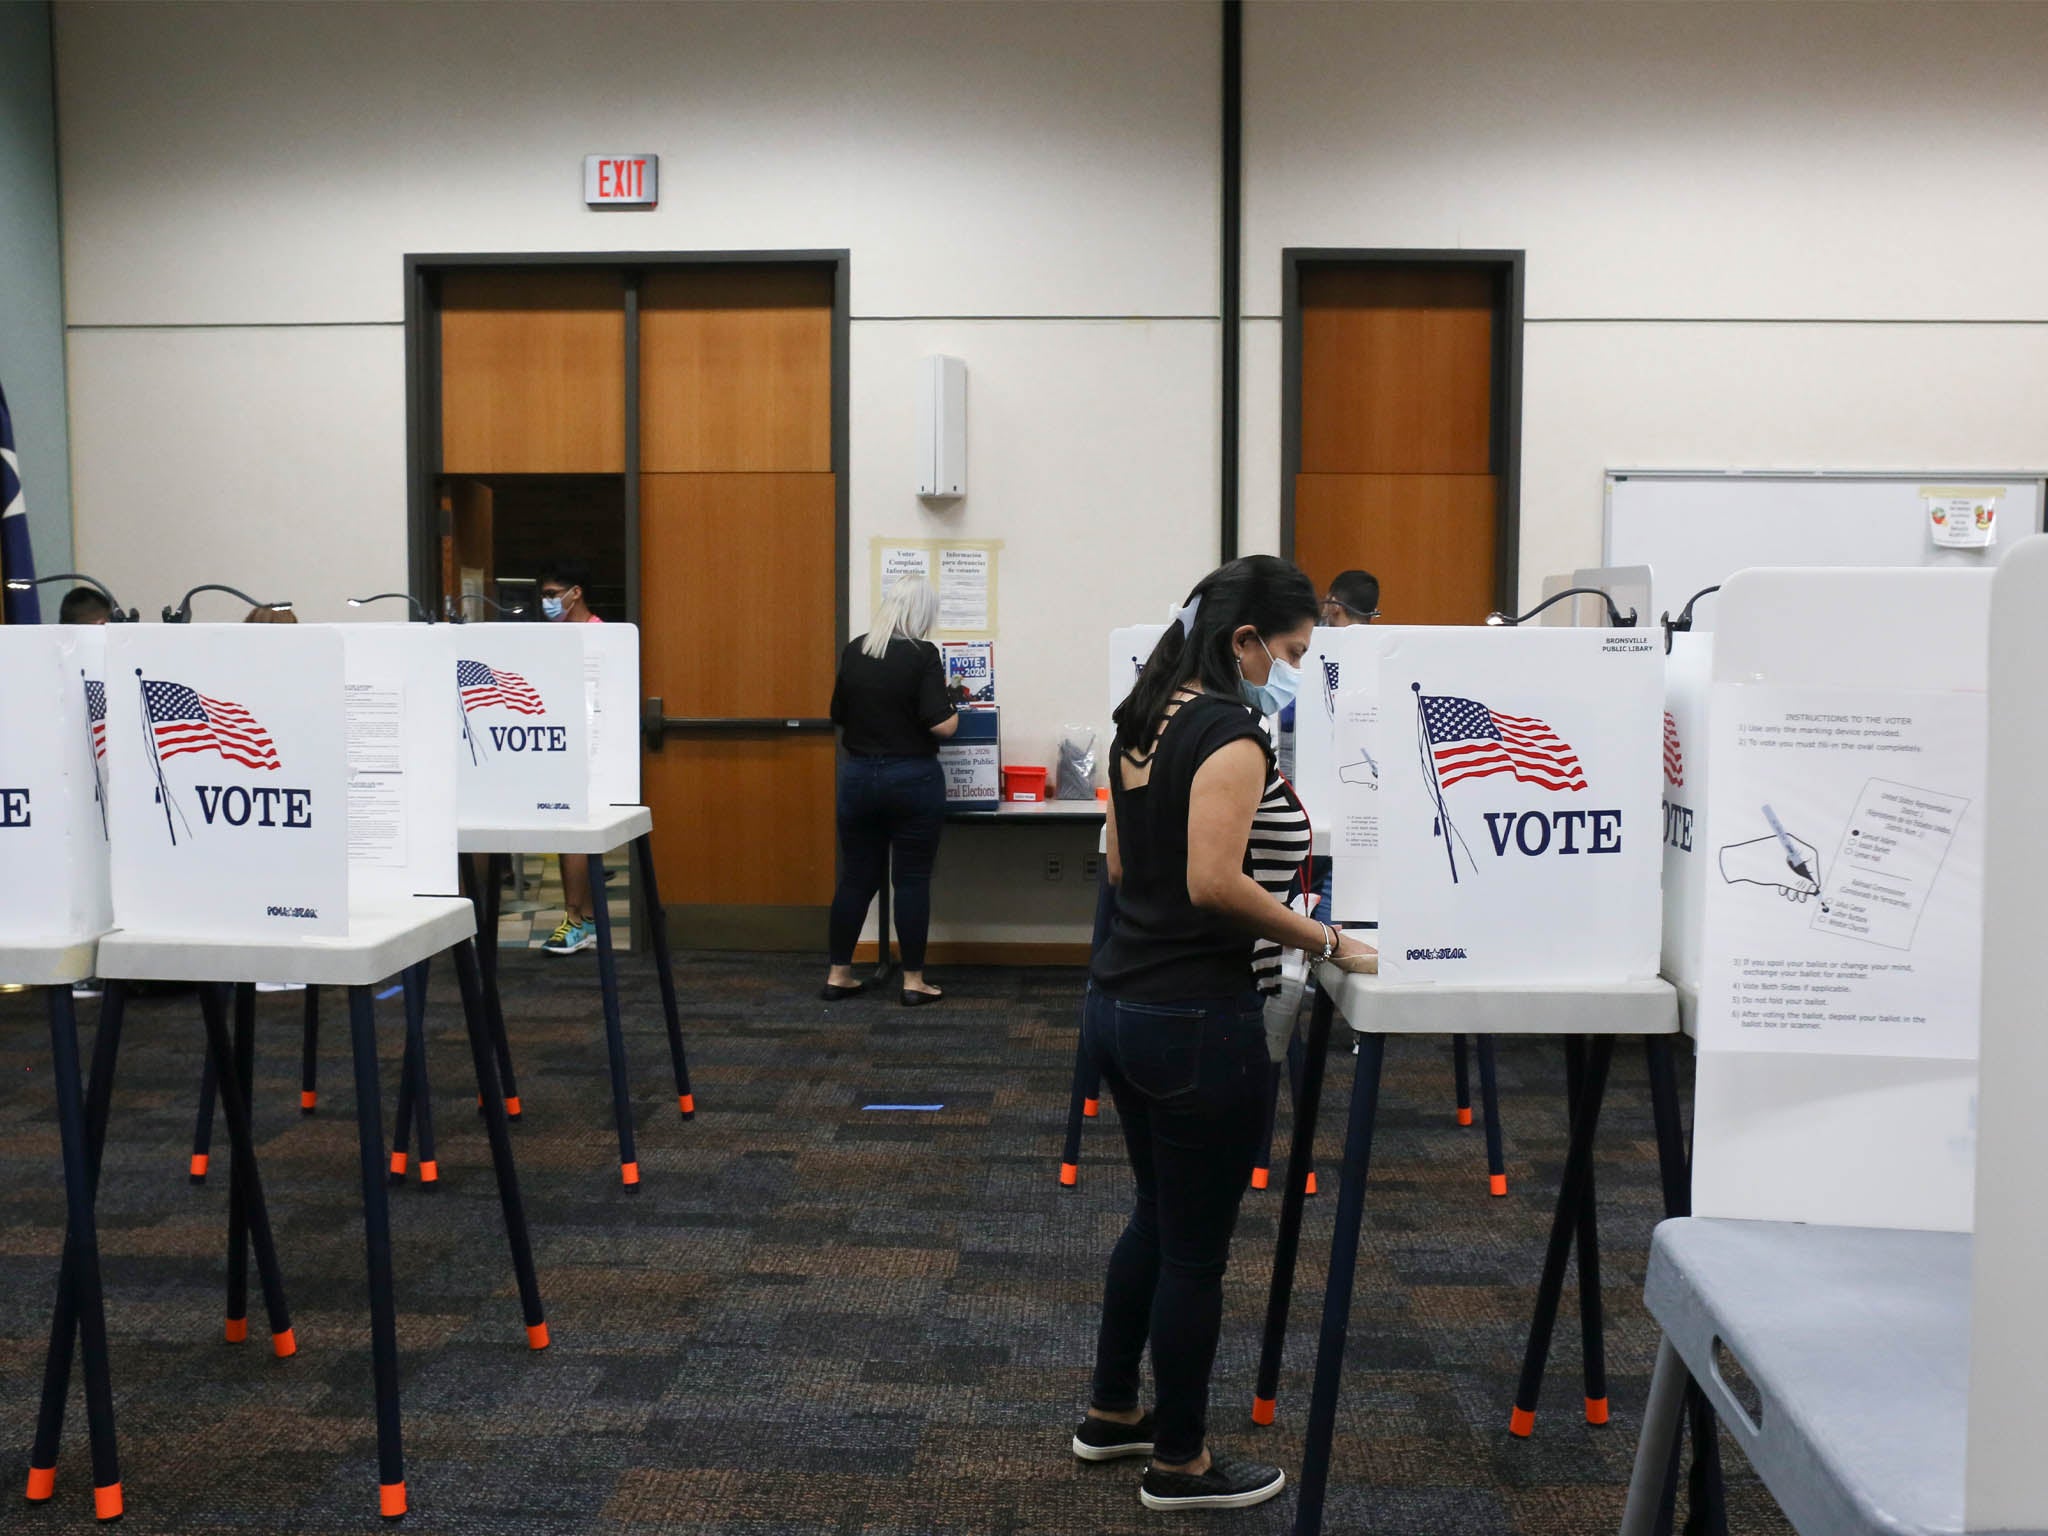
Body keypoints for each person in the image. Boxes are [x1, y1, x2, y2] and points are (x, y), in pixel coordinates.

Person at [1073, 554, 1374, 1513]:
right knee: (1196, 1252)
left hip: (1122, 1003)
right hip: (1198, 1019)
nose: (1293, 668)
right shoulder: (1230, 734)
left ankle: (1114, 1414)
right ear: (1244, 639)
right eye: (1289, 649)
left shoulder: (1143, 718)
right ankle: (1182, 1463)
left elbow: (1124, 871)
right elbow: (1214, 883)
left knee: (1155, 1222)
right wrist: (1327, 938)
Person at [821, 576, 957, 1005]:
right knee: (911, 880)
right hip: (912, 778)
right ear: (922, 612)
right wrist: (956, 710)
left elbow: (836, 713)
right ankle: (913, 982)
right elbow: (942, 724)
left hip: (858, 777)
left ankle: (838, 973)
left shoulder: (856, 649)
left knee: (856, 878)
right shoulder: (922, 654)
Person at [535, 558, 605, 956]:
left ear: (575, 593)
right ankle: (587, 920)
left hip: (588, 749)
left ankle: (576, 919)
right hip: (557, 744)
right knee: (569, 836)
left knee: (575, 836)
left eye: (551, 595)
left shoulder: (599, 637)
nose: (546, 603)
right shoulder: (553, 638)